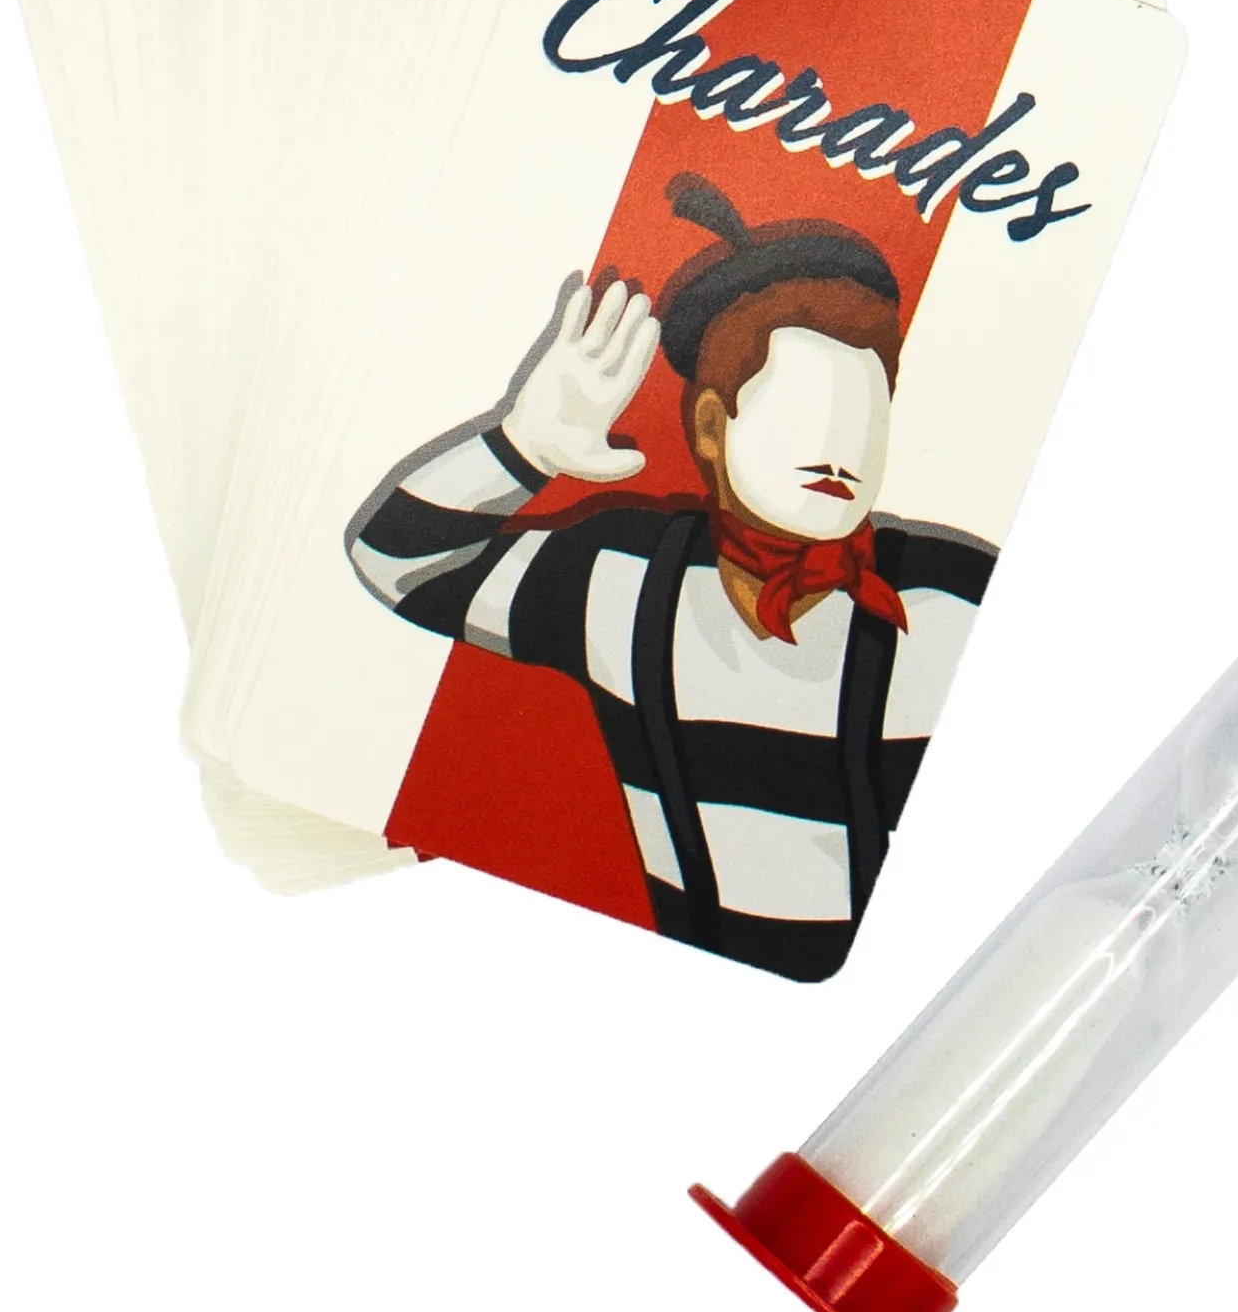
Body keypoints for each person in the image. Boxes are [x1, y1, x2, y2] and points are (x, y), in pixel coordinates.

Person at [346, 174, 994, 980]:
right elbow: (396, 558)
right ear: (713, 426)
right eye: (802, 408)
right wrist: (524, 446)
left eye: (866, 412)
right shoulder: (622, 578)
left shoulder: (956, 597)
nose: (839, 448)